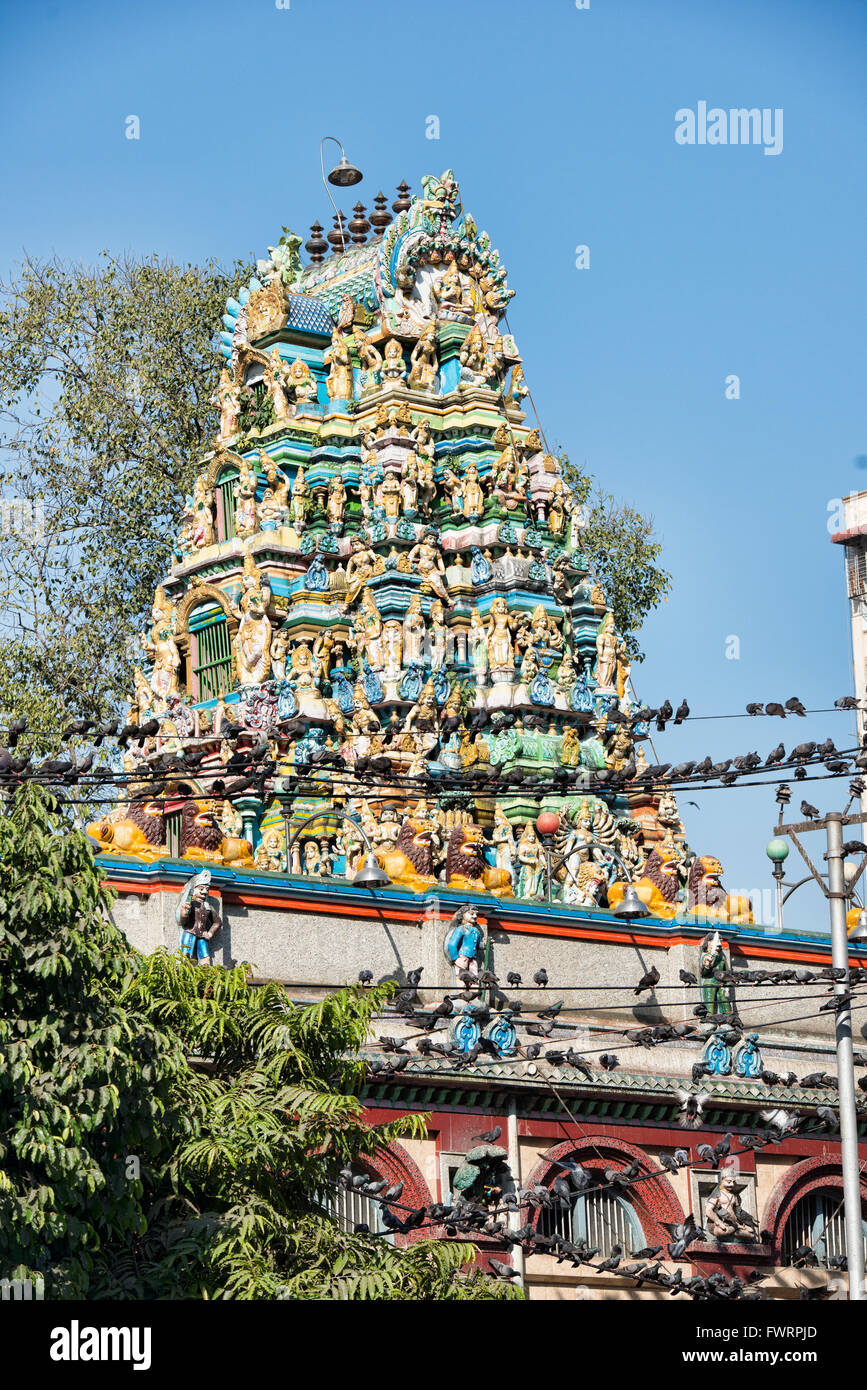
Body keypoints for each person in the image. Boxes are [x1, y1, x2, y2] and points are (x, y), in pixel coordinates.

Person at [176, 868, 222, 965]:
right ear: (193, 889)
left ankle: (204, 976)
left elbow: (217, 922)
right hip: (190, 932)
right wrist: (184, 914)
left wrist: (209, 934)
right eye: (201, 889)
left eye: (207, 889)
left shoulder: (208, 907)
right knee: (185, 956)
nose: (204, 892)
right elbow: (183, 922)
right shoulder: (190, 904)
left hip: (202, 935)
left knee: (205, 958)